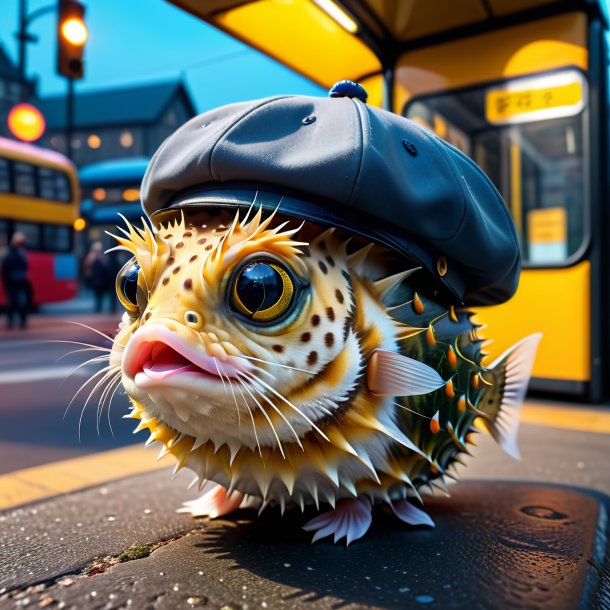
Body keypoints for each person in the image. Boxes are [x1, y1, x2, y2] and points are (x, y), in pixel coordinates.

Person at [1, 232, 31, 329]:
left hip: (14, 281)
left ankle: (15, 321)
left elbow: (5, 269)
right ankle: (19, 321)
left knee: (14, 301)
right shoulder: (20, 253)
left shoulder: (12, 253)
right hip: (17, 280)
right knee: (18, 301)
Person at [82, 241, 113, 313]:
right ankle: (98, 308)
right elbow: (86, 268)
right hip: (96, 280)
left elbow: (107, 267)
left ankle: (100, 308)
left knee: (101, 295)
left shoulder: (102, 257)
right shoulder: (91, 257)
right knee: (97, 295)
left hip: (102, 280)